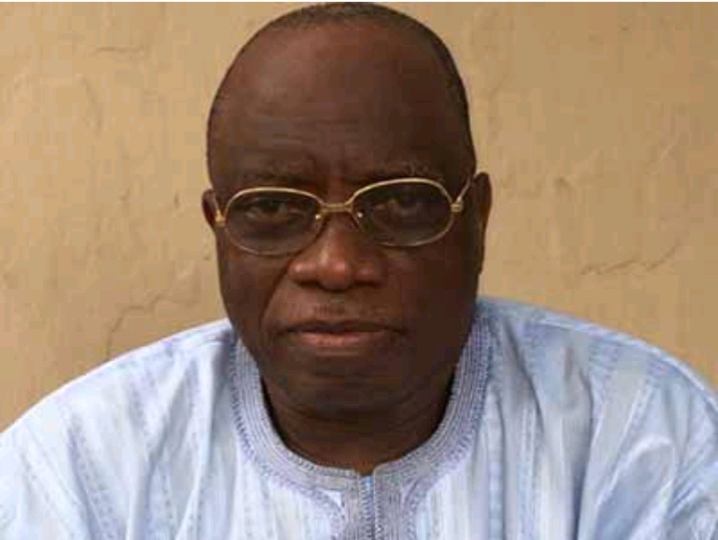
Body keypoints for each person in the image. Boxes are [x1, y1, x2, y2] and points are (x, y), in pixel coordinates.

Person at [1, 3, 716, 539]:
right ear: (219, 224)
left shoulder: (643, 435)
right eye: (273, 208)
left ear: (476, 218)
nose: (337, 265)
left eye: (401, 203)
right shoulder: (77, 472)